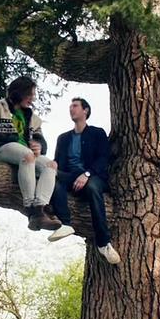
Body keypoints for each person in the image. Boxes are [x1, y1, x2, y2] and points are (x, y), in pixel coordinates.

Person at [0, 76, 63, 231]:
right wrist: (2, 138)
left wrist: (39, 146)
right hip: (2, 150)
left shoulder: (34, 119)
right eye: (29, 94)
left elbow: (41, 141)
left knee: (51, 165)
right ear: (19, 92)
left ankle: (39, 209)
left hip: (28, 156)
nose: (32, 99)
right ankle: (30, 208)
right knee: (28, 155)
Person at [48, 97, 120, 264]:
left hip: (93, 176)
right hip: (70, 177)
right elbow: (58, 161)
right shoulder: (63, 138)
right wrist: (53, 165)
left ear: (85, 110)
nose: (71, 109)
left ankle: (104, 243)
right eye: (70, 106)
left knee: (94, 188)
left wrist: (87, 174)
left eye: (75, 106)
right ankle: (64, 224)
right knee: (53, 178)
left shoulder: (97, 133)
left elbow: (103, 158)